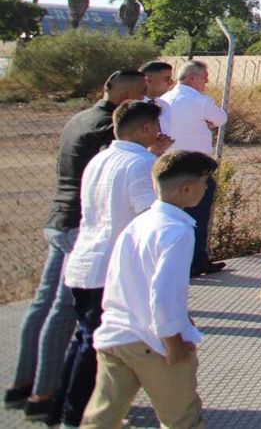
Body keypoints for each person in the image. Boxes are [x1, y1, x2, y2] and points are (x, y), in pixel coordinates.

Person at [8, 69, 150, 421]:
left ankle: (26, 385)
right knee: (64, 311)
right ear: (128, 99)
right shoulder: (107, 132)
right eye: (143, 95)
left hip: (60, 218)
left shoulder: (79, 118)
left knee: (43, 306)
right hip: (79, 227)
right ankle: (46, 394)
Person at [79, 149, 216, 429]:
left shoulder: (138, 223)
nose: (206, 188)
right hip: (154, 344)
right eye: (205, 182)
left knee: (102, 418)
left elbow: (121, 279)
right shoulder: (178, 232)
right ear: (186, 189)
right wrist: (173, 340)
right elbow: (164, 292)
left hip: (116, 336)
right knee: (182, 419)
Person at [55, 100, 163, 427]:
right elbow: (149, 217)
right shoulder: (141, 164)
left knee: (85, 340)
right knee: (97, 345)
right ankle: (78, 416)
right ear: (145, 129)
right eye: (155, 127)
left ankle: (70, 407)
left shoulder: (100, 159)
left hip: (84, 262)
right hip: (110, 268)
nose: (159, 133)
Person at [160, 62, 229, 278]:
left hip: (168, 166)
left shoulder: (164, 101)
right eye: (204, 77)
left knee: (171, 216)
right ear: (191, 78)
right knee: (197, 216)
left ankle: (176, 261)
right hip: (195, 168)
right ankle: (196, 261)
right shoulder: (198, 100)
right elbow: (221, 118)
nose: (207, 81)